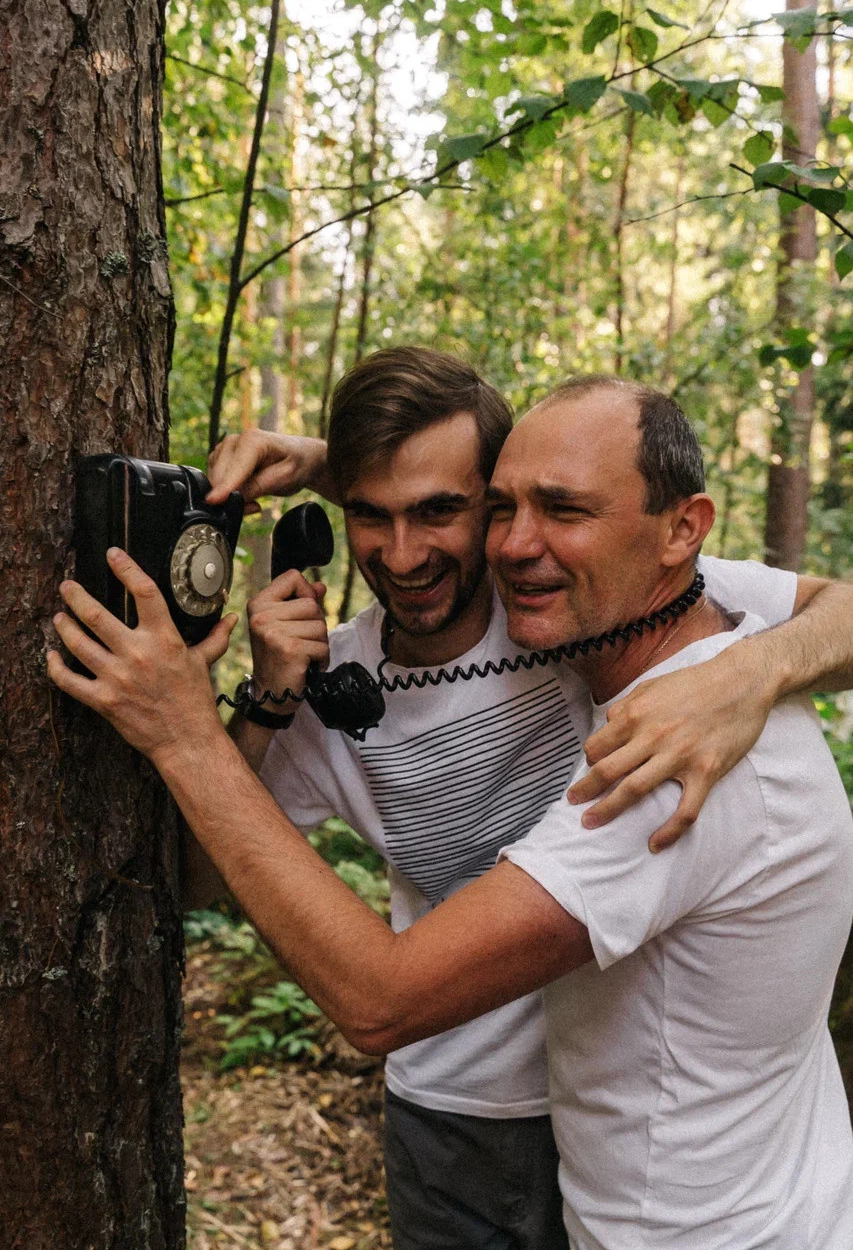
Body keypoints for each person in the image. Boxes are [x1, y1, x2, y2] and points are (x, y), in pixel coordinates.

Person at [49, 374, 853, 1246]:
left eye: (443, 511)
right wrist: (268, 696)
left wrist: (745, 676)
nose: (402, 556)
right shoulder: (549, 609)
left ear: (679, 533)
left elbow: (378, 999)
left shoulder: (627, 673)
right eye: (371, 514)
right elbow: (195, 878)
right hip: (488, 1124)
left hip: (665, 1185)